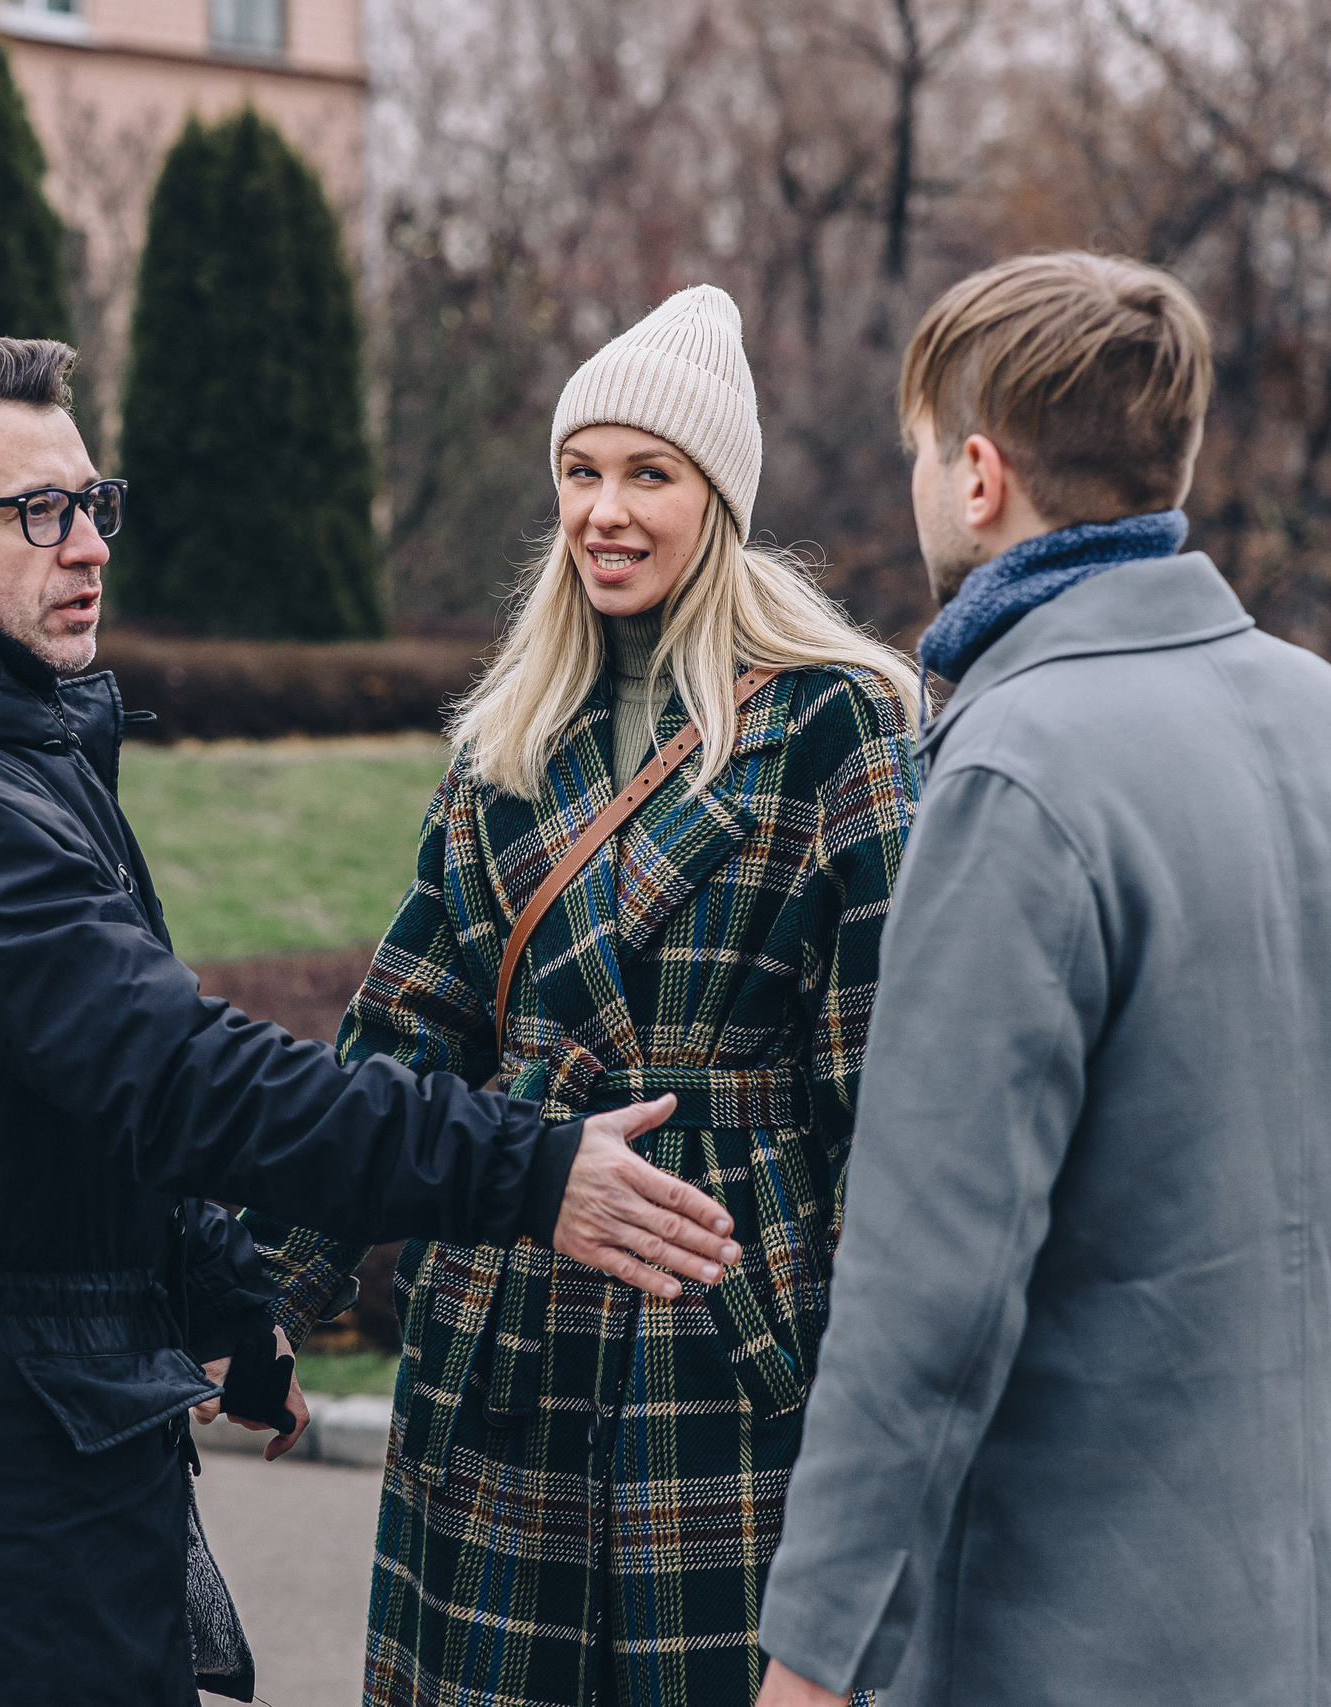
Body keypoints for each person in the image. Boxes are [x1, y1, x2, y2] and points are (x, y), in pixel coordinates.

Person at [0, 336, 746, 1707]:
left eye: (92, 503)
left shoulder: (7, 756)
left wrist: (212, 1289)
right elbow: (175, 1074)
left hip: (38, 1409)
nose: (88, 547)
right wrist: (530, 1171)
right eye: (37, 514)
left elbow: (67, 1102)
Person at [754, 253, 1331, 1707]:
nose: (922, 482)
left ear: (981, 475)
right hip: (1291, 1635)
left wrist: (811, 1662)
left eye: (921, 453)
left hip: (1052, 1642)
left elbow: (925, 1285)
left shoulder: (1018, 770)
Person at [246, 285, 922, 1706]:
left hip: (727, 1308)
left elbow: (886, 1086)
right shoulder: (509, 732)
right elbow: (404, 1033)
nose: (605, 511)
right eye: (581, 471)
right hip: (512, 1302)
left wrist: (872, 1380)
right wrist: (266, 1294)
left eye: (649, 475)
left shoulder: (834, 724)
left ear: (717, 500)